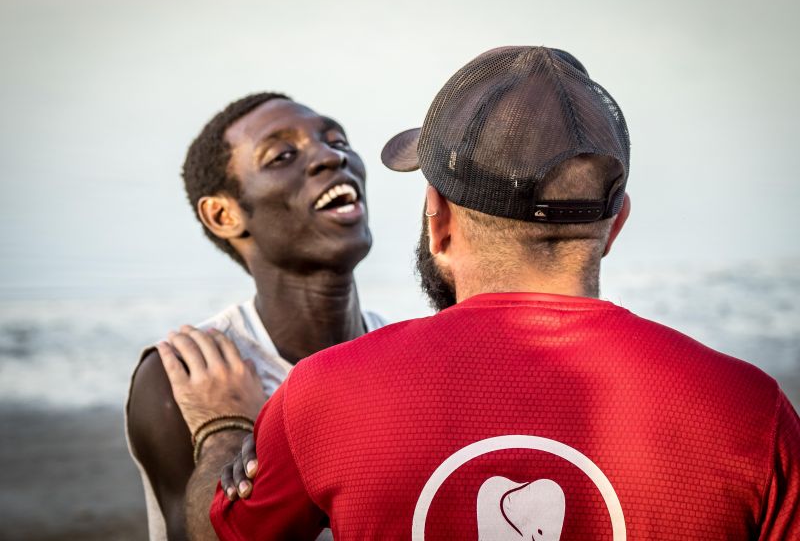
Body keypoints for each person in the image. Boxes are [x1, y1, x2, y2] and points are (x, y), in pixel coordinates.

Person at [161, 47, 800, 539]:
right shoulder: (750, 411)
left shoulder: (324, 396)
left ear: (436, 217)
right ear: (617, 223)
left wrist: (223, 428)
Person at [125, 92, 385, 541]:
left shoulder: (401, 353)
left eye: (337, 140)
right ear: (224, 215)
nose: (330, 157)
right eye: (283, 155)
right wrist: (223, 431)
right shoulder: (185, 377)